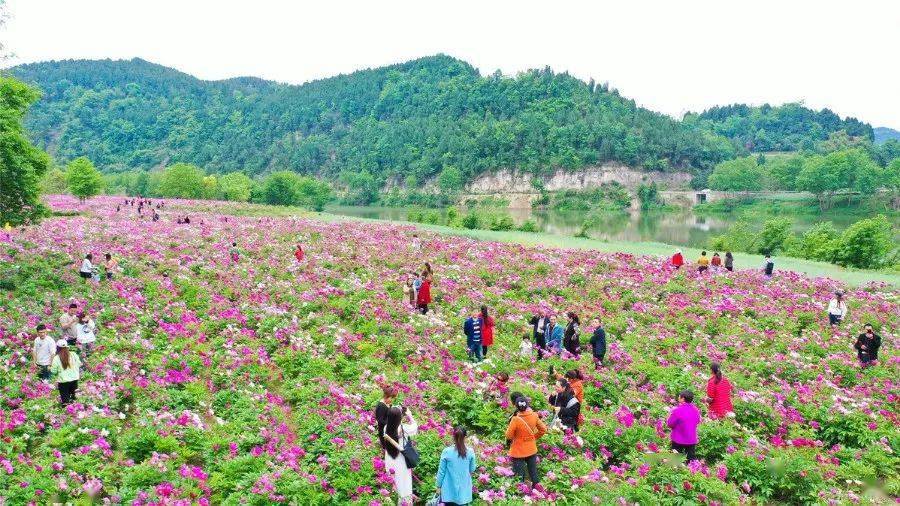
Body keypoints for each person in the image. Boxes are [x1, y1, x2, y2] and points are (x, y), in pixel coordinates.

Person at [505, 396, 547, 487]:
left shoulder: (515, 419)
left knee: (519, 474)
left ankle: (520, 493)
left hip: (518, 451)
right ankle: (537, 490)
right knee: (533, 472)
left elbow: (508, 435)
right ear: (527, 405)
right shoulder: (534, 415)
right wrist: (533, 437)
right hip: (531, 449)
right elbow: (543, 429)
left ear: (516, 406)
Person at [382, 407, 418, 505]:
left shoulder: (386, 427)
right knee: (404, 484)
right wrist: (410, 415)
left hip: (390, 460)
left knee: (392, 483)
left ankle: (391, 502)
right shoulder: (404, 428)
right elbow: (415, 427)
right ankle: (404, 503)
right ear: (400, 417)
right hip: (401, 460)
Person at [435, 426, 477, 506]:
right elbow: (472, 469)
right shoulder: (470, 452)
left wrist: (438, 487)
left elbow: (441, 471)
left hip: (448, 491)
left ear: (453, 436)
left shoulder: (446, 451)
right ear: (465, 437)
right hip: (463, 492)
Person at [667, 390, 701, 462]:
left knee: (676, 460)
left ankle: (677, 471)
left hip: (678, 439)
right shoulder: (695, 410)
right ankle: (691, 472)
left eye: (679, 396)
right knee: (691, 460)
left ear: (683, 399)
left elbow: (670, 423)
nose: (678, 397)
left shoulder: (677, 410)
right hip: (691, 439)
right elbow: (697, 421)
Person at [50, 339, 81, 406]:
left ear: (57, 348)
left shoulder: (57, 358)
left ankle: (67, 414)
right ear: (67, 347)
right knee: (74, 399)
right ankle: (75, 413)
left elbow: (53, 371)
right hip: (74, 380)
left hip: (63, 382)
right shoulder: (74, 354)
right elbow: (79, 364)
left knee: (65, 401)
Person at [375, 384, 399, 450]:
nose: (392, 400)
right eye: (391, 398)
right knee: (388, 449)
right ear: (386, 396)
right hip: (384, 432)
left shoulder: (387, 404)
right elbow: (380, 420)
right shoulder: (381, 406)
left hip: (388, 431)